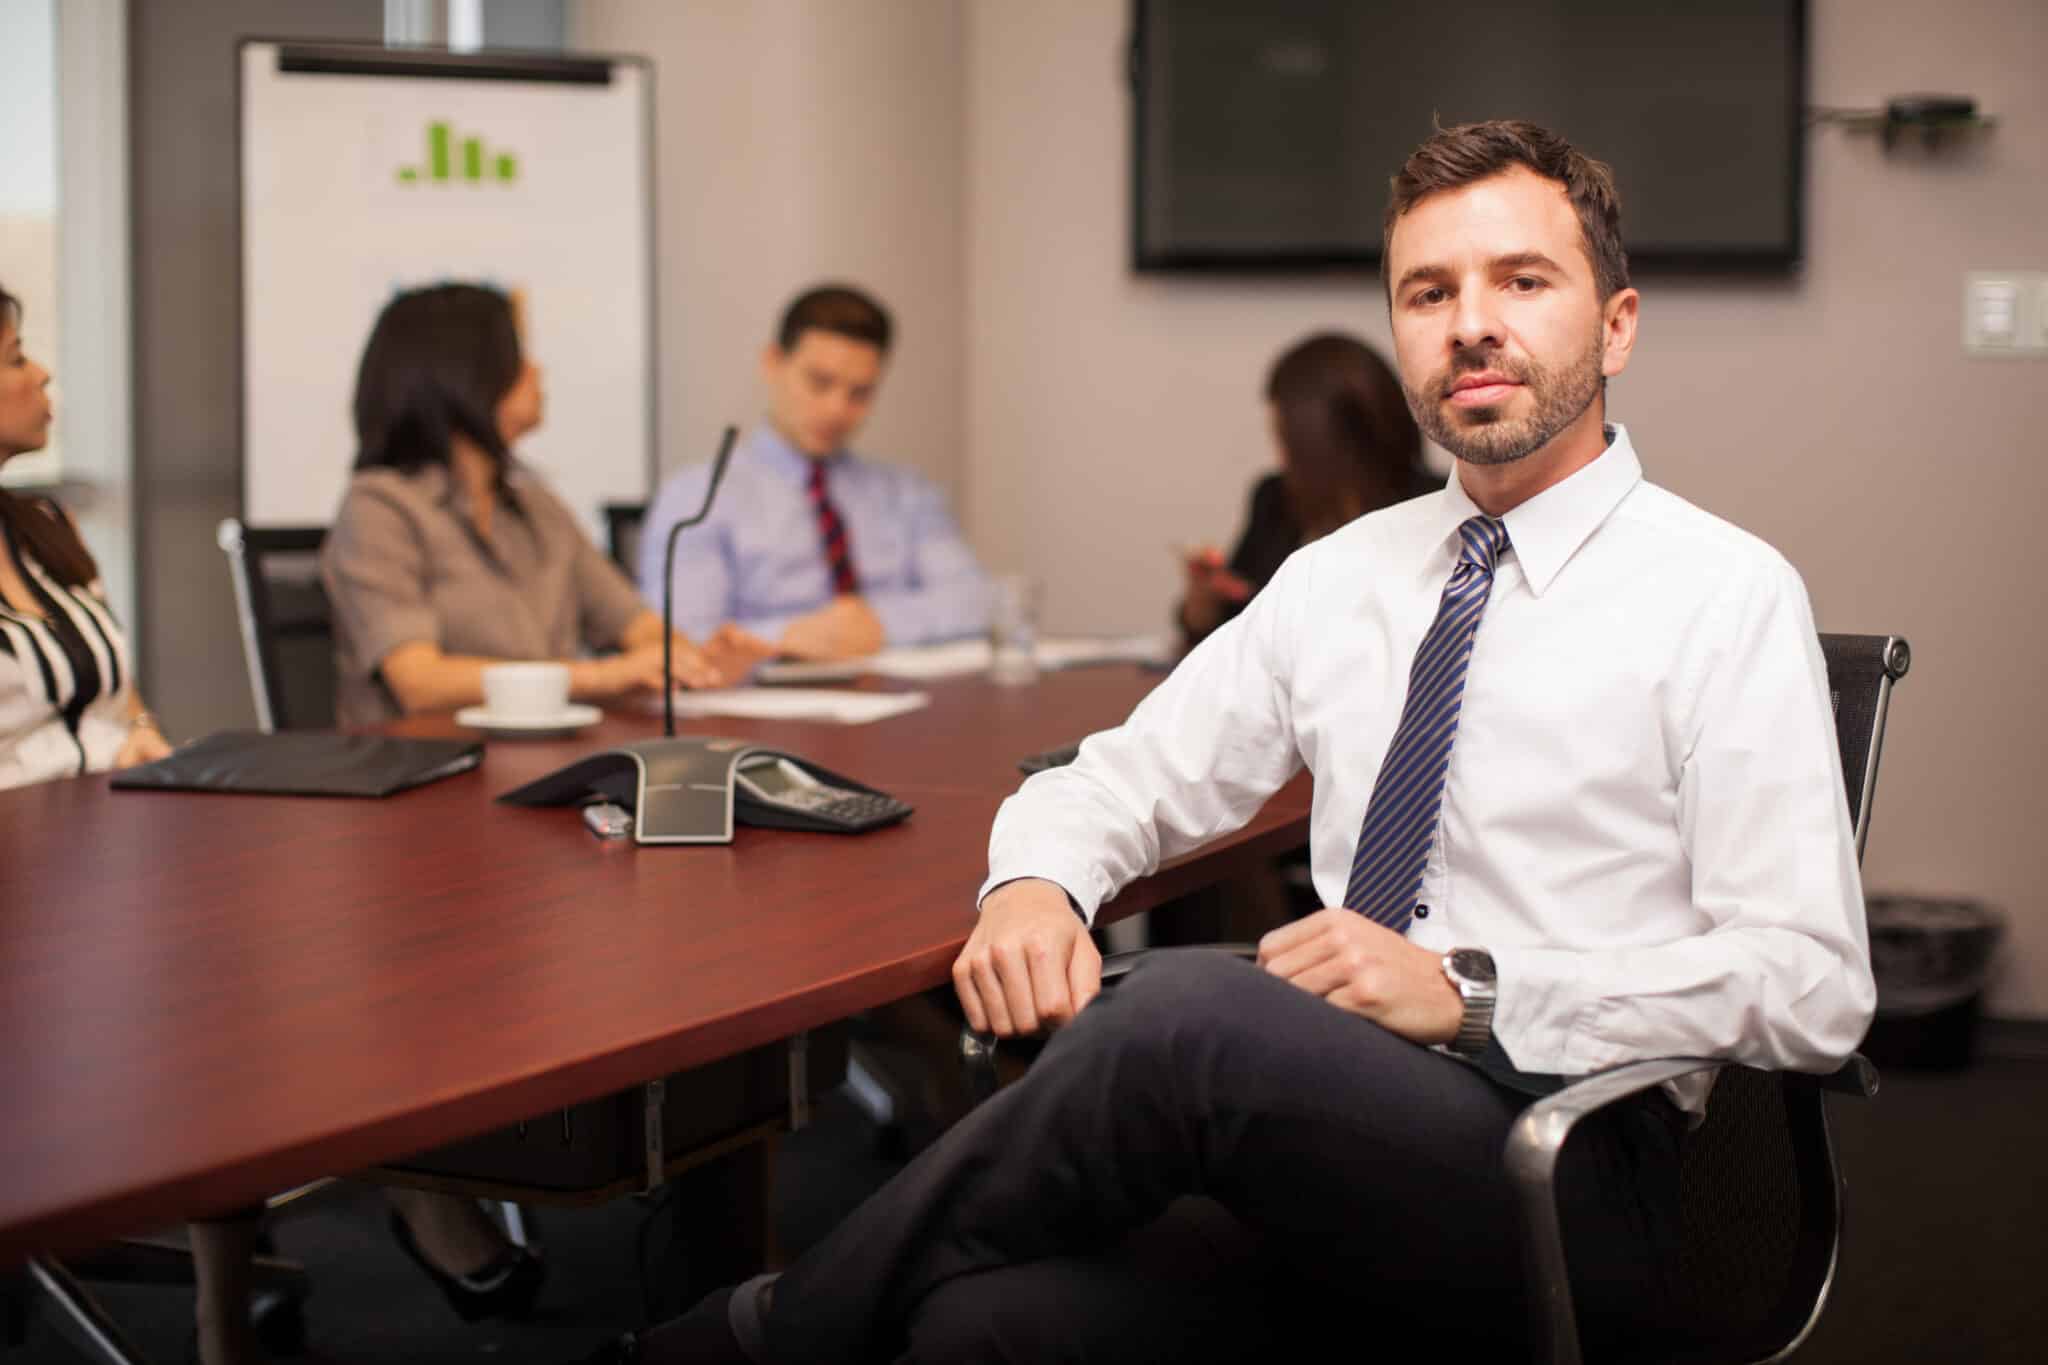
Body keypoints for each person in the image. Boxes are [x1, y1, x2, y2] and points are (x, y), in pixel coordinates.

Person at [589, 119, 1878, 1364]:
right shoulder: (1340, 577)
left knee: (1187, 1010)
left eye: (1519, 280)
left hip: (1568, 1172)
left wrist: (1473, 989)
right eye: (1426, 292)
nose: (1469, 321)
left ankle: (748, 1336)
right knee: (976, 1329)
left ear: (1614, 324)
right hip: (1323, 1148)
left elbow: (1813, 987)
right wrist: (1034, 882)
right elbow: (1123, 774)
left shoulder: (1722, 592)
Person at [323, 283, 734, 729]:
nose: (537, 371)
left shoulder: (536, 506)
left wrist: (682, 656)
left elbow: (633, 623)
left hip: (543, 761)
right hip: (429, 774)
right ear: (462, 374)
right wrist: (603, 675)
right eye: (518, 356)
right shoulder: (379, 508)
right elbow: (421, 683)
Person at [637, 285, 990, 667]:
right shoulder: (696, 498)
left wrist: (880, 624)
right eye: (819, 383)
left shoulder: (906, 492)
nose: (837, 409)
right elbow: (681, 640)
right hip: (762, 713)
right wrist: (788, 637)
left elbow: (975, 600)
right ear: (773, 363)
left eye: (861, 393)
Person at [0, 283, 172, 784]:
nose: (42, 374)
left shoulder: (47, 525)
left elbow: (113, 682)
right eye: (16, 359)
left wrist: (140, 728)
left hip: (109, 814)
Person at [1176, 331, 1435, 649]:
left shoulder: (1436, 507)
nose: (1280, 455)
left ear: (1320, 442)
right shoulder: (1274, 500)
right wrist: (1204, 598)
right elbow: (1222, 637)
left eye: (1285, 438)